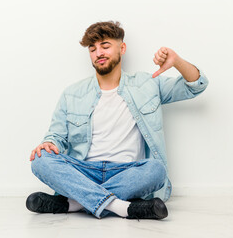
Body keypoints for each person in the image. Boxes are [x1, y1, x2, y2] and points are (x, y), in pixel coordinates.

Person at [26, 21, 208, 220]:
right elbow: (56, 136)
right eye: (92, 49)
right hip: (86, 171)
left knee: (156, 170)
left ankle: (75, 204)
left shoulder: (147, 84)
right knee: (40, 160)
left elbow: (196, 86)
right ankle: (122, 207)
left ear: (122, 48)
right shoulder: (72, 93)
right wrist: (49, 143)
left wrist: (177, 61)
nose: (98, 53)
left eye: (105, 46)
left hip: (127, 172)